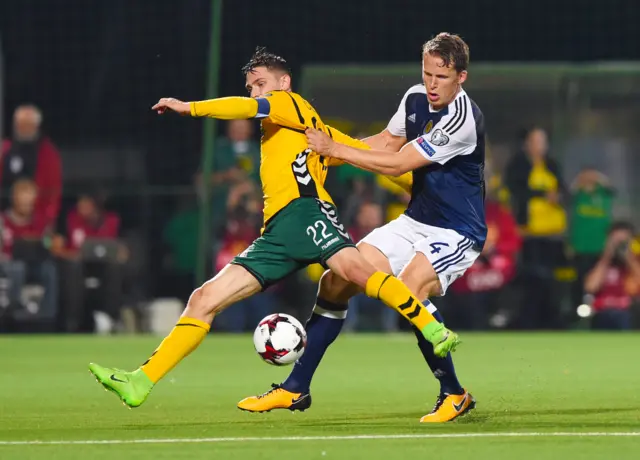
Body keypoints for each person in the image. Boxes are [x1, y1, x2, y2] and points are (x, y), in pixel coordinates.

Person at [88, 47, 460, 409]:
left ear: (283, 83)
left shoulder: (286, 102)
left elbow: (246, 108)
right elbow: (367, 157)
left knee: (355, 271)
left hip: (307, 212)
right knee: (204, 299)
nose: (255, 93)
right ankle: (140, 381)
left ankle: (430, 326)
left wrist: (189, 108)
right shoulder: (309, 129)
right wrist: (419, 188)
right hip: (278, 230)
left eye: (260, 83)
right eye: (251, 86)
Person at [239, 33, 485, 423]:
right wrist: (330, 155)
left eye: (441, 76)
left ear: (461, 77)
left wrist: (335, 150)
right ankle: (294, 388)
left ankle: (454, 394)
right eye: (426, 74)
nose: (431, 84)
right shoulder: (415, 98)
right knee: (336, 281)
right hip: (414, 220)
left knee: (409, 290)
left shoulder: (461, 119)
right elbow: (385, 142)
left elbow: (398, 164)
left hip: (455, 231)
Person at [505, 126, 567, 329]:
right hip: (529, 234)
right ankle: (528, 323)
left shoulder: (552, 165)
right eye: (536, 141)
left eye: (543, 141)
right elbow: (515, 191)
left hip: (552, 234)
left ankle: (553, 322)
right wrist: (542, 195)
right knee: (532, 280)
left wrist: (559, 197)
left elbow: (564, 191)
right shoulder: (518, 165)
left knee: (552, 281)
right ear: (526, 144)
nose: (540, 146)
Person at [0, 105, 62, 226]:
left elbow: (53, 190)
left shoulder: (48, 152)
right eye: (21, 124)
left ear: (36, 126)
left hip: (36, 219)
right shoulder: (5, 149)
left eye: (28, 124)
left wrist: (48, 218)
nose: (24, 128)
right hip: (7, 217)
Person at [584, 221, 640, 330]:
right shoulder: (598, 261)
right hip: (602, 311)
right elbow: (591, 287)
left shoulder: (636, 262)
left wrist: (629, 257)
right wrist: (607, 256)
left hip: (627, 312)